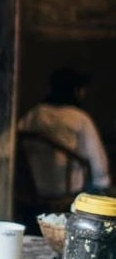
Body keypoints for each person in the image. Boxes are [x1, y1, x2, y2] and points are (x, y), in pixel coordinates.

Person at [18, 68, 111, 198]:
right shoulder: (80, 118)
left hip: (34, 189)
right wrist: (103, 186)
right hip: (69, 191)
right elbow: (98, 164)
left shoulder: (34, 114)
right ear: (77, 91)